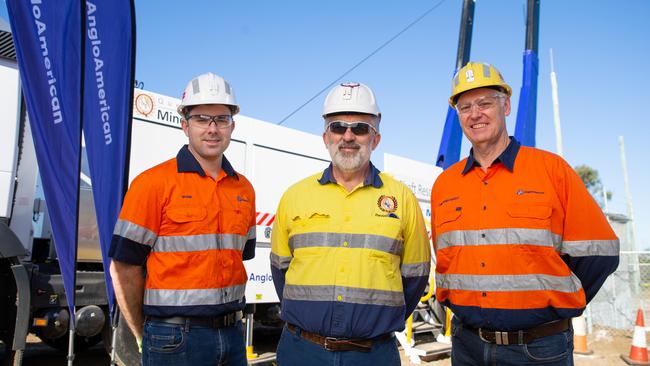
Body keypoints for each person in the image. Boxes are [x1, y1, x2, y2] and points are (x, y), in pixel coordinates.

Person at [431, 62, 620, 365]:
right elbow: (445, 259)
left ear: (505, 105)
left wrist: (557, 303)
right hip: (467, 347)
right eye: (465, 107)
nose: (475, 114)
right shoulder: (445, 185)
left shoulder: (552, 170)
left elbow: (601, 253)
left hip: (539, 349)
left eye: (484, 103)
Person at [270, 82, 431, 365]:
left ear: (375, 139)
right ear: (325, 137)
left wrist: (374, 322)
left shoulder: (402, 199)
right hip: (302, 352)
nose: (348, 136)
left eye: (359, 128)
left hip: (373, 355)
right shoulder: (294, 197)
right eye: (338, 127)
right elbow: (281, 271)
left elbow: (415, 277)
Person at [109, 72, 256, 366]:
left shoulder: (244, 189)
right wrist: (144, 332)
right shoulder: (152, 184)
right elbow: (124, 267)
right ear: (185, 125)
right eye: (202, 118)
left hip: (232, 334)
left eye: (222, 119)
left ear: (232, 126)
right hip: (172, 337)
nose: (212, 129)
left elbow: (240, 256)